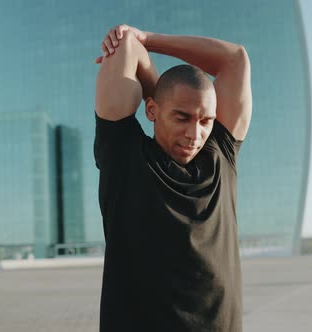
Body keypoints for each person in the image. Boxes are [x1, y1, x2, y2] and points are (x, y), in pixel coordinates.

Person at [94, 24, 251, 331]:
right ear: (151, 110)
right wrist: (134, 42)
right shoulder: (124, 155)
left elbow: (235, 59)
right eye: (182, 117)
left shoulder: (221, 153)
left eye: (205, 120)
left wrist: (149, 40)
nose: (195, 134)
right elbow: (127, 46)